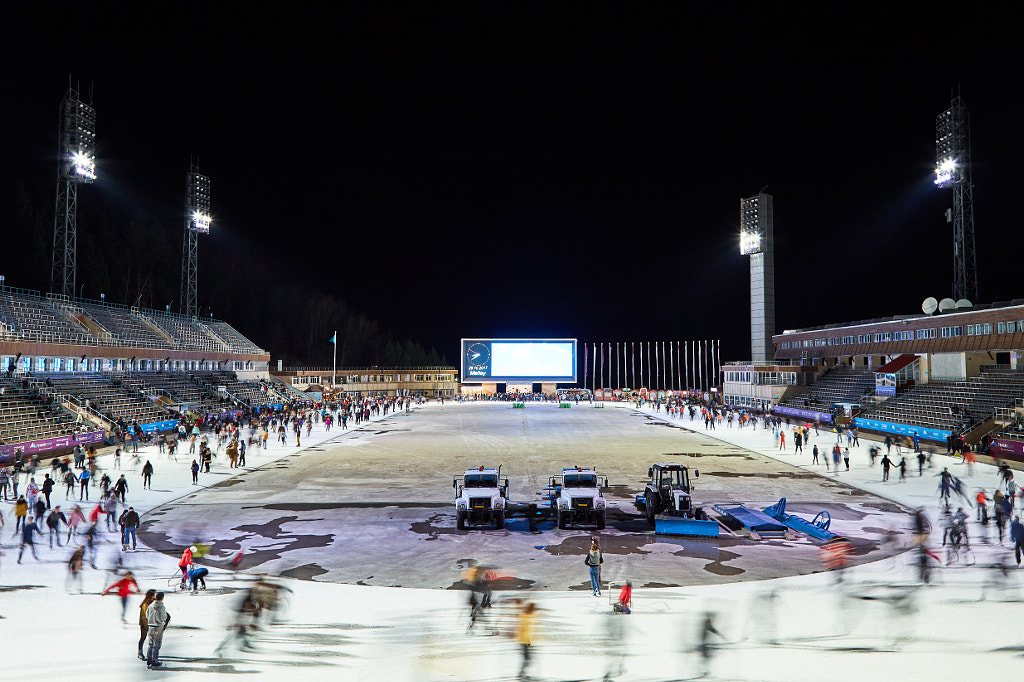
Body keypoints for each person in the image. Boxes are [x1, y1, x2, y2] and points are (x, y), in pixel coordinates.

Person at [146, 592, 171, 669]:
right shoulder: (161, 606)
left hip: (150, 626)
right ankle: (155, 660)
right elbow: (163, 617)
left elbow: (147, 615)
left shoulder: (150, 606)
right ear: (162, 598)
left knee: (150, 643)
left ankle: (149, 658)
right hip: (158, 626)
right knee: (157, 643)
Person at [515, 601, 537, 680]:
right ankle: (521, 673)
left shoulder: (527, 616)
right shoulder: (526, 617)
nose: (534, 610)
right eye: (534, 609)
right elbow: (524, 631)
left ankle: (522, 673)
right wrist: (528, 641)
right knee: (528, 659)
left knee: (527, 658)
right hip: (523, 641)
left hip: (524, 641)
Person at [138, 590, 157, 660]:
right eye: (154, 594)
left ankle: (151, 652)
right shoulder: (145, 604)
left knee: (152, 639)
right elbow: (144, 615)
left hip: (152, 623)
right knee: (143, 637)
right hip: (144, 623)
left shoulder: (153, 602)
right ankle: (140, 652)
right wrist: (146, 625)